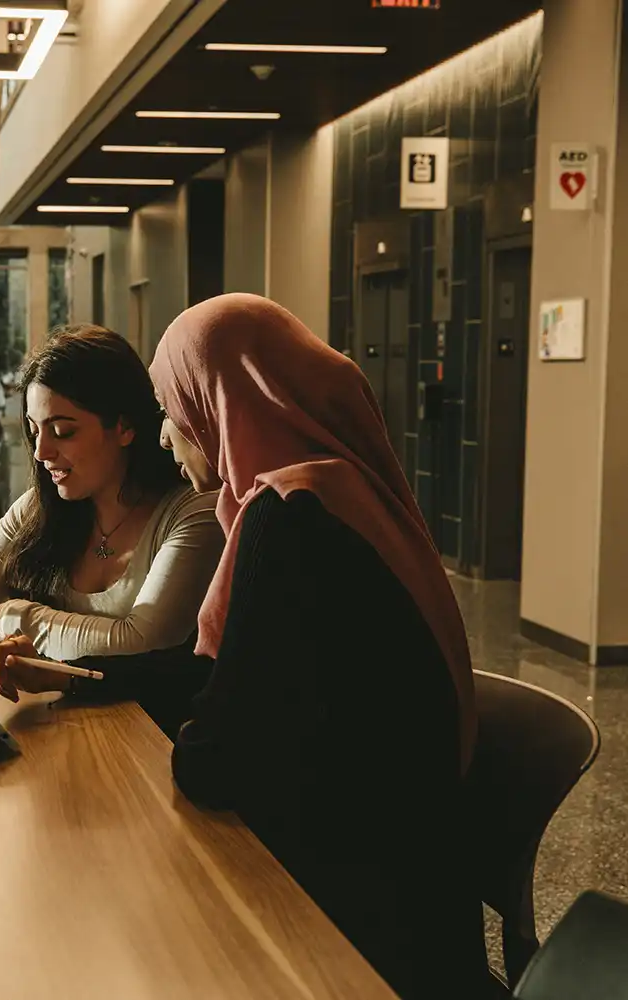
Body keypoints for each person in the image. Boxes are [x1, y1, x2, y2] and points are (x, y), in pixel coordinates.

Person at [148, 294, 487, 1000]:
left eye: (173, 406)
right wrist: (88, 680)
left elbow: (215, 759)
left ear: (223, 401)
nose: (163, 436)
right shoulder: (341, 491)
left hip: (357, 935)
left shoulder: (289, 518)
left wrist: (185, 728)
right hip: (413, 886)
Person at [0, 326, 225, 733]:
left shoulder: (193, 510)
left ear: (124, 426)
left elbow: (141, 643)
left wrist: (22, 618)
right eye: (36, 430)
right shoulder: (43, 508)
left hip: (148, 746)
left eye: (63, 431)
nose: (42, 452)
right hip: (66, 730)